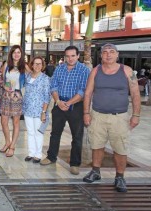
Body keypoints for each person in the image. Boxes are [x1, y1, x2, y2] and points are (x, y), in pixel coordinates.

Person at [82, 43, 141, 192]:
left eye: (112, 52)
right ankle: (95, 171)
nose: (108, 54)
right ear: (101, 55)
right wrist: (86, 113)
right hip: (98, 116)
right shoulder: (95, 71)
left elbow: (135, 94)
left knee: (120, 147)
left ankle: (120, 177)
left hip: (119, 118)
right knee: (96, 145)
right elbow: (88, 93)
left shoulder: (127, 71)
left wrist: (136, 115)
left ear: (117, 54)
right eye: (105, 52)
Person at [40, 46, 90, 176]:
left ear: (78, 56)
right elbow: (53, 85)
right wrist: (58, 101)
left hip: (76, 106)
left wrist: (69, 103)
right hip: (59, 104)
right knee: (55, 133)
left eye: (73, 56)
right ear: (64, 57)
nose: (70, 58)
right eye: (67, 56)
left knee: (77, 136)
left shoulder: (84, 70)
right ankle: (51, 157)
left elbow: (83, 90)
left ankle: (74, 164)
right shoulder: (59, 68)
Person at [22, 56, 51, 163]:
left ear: (42, 65)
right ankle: (31, 153)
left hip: (39, 110)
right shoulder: (28, 76)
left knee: (38, 132)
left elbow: (47, 97)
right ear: (32, 65)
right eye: (35, 63)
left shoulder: (45, 79)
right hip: (28, 109)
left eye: (39, 64)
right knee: (30, 132)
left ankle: (38, 154)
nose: (37, 66)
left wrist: (44, 112)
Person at [0, 45, 26, 157]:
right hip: (6, 95)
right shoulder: (6, 65)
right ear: (11, 54)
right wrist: (4, 86)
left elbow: (33, 75)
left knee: (16, 122)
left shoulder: (24, 66)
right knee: (4, 121)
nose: (16, 54)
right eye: (14, 52)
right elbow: (1, 80)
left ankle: (12, 146)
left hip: (17, 96)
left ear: (21, 54)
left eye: (18, 53)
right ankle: (7, 142)